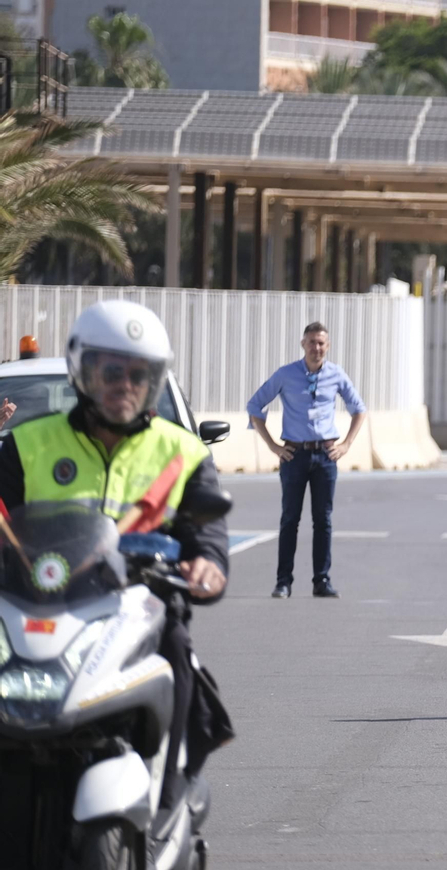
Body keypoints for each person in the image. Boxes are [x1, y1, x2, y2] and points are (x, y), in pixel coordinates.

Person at [0, 300, 230, 808]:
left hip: (140, 608)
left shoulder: (183, 453)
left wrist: (208, 565)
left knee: (178, 656)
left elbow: (208, 536)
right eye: (111, 372)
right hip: (39, 604)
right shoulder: (26, 445)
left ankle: (170, 790)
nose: (124, 384)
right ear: (83, 372)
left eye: (138, 374)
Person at [247, 321, 367, 599]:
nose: (316, 348)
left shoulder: (336, 374)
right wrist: (273, 446)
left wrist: (346, 444)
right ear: (303, 344)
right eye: (312, 342)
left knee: (323, 520)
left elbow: (359, 409)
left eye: (321, 343)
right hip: (295, 454)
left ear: (328, 346)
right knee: (290, 518)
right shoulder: (286, 374)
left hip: (325, 455)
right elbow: (255, 405)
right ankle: (283, 581)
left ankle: (321, 580)